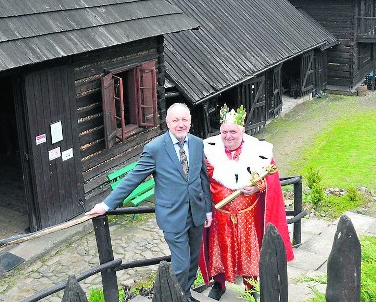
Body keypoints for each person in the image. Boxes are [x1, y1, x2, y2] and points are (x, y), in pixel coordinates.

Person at [86, 103, 212, 302]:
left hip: (196, 213)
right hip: (172, 216)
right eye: (176, 120)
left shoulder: (197, 143)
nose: (181, 124)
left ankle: (185, 295)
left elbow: (203, 178)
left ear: (190, 121)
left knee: (193, 261)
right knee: (181, 264)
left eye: (184, 120)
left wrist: (207, 211)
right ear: (168, 123)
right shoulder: (155, 148)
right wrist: (107, 205)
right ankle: (173, 298)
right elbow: (133, 178)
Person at [199, 105, 294, 301]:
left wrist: (258, 187)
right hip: (220, 216)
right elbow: (203, 178)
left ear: (242, 132)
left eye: (233, 131)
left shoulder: (259, 152)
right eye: (224, 132)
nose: (228, 136)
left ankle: (251, 286)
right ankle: (219, 284)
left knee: (250, 251)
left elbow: (271, 177)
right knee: (219, 249)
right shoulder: (209, 153)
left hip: (248, 216)